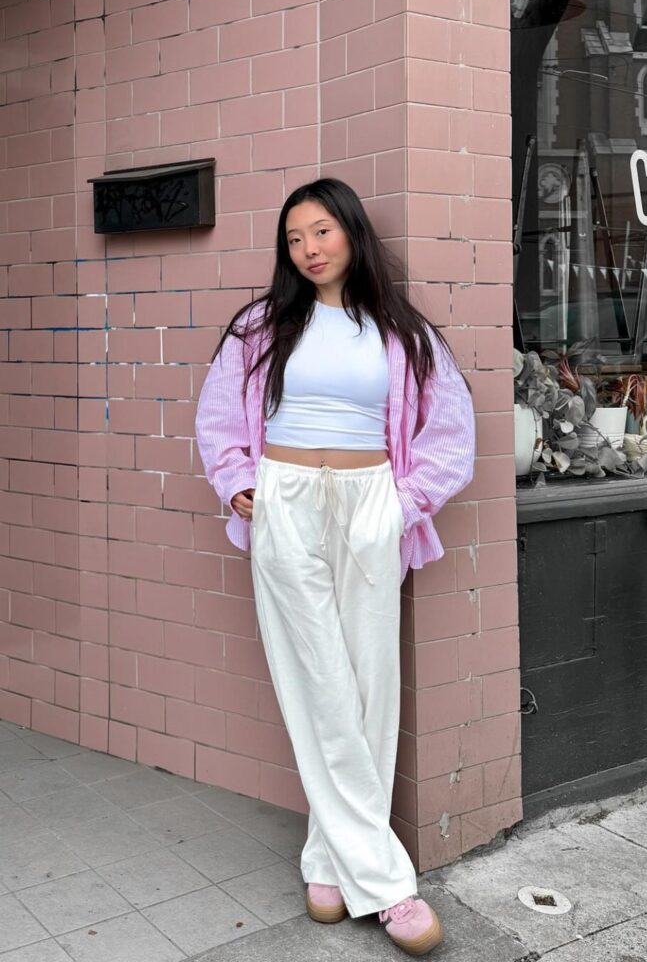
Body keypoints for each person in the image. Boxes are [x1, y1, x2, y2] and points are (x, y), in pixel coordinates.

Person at [194, 177, 476, 956]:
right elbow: (218, 414)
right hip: (284, 503)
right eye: (293, 238)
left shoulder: (400, 330)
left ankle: (327, 856)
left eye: (320, 232)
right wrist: (238, 479)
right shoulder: (261, 325)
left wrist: (403, 500)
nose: (308, 250)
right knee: (315, 677)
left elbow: (450, 432)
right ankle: (386, 885)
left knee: (367, 681)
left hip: (368, 503)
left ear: (351, 233)